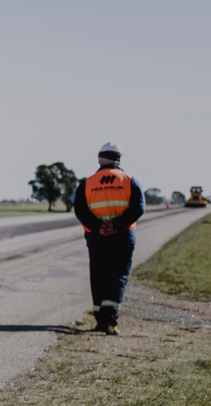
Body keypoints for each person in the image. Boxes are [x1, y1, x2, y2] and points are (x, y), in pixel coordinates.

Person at [74, 142, 144, 336]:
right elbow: (138, 208)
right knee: (117, 278)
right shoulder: (130, 180)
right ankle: (110, 322)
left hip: (96, 240)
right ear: (119, 158)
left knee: (98, 278)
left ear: (99, 158)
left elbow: (80, 211)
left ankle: (100, 320)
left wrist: (99, 228)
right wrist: (116, 225)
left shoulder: (87, 183)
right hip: (123, 238)